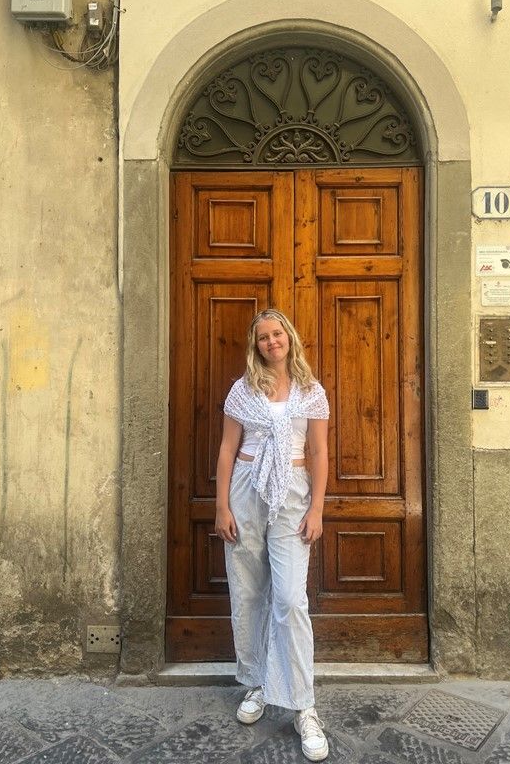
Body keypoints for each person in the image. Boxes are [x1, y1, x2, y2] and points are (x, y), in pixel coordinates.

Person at [215, 309, 330, 762]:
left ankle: (304, 704)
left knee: (289, 600)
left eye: (276, 333)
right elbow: (227, 448)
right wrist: (221, 504)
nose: (271, 342)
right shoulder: (242, 391)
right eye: (262, 337)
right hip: (245, 491)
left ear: (289, 337)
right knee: (247, 593)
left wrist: (317, 508)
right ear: (255, 345)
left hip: (294, 497)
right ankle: (258, 683)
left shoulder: (311, 392)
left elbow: (319, 452)